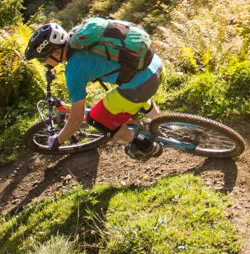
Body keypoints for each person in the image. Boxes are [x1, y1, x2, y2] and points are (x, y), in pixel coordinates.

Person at [24, 19, 165, 158]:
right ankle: (162, 125)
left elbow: (76, 119)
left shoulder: (74, 71)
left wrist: (57, 141)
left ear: (55, 54)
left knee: (96, 119)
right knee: (132, 92)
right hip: (155, 63)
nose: (42, 64)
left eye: (41, 59)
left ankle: (147, 146)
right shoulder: (80, 34)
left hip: (144, 83)